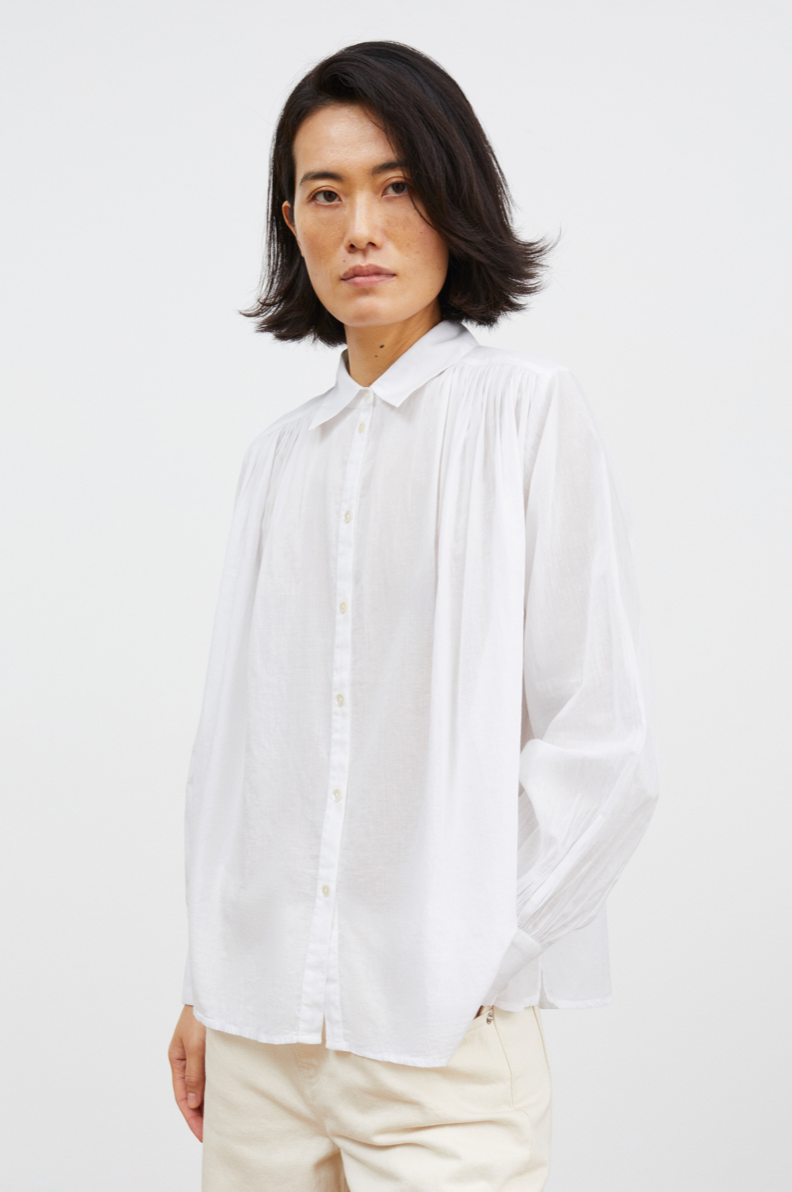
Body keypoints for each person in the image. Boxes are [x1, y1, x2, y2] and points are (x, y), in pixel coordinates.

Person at [167, 40, 659, 1192]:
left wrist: (481, 955)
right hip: (257, 1039)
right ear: (290, 222)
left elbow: (603, 741)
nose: (361, 229)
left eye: (396, 187)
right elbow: (236, 758)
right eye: (325, 194)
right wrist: (204, 981)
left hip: (438, 1050)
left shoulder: (526, 415)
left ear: (452, 196)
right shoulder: (276, 460)